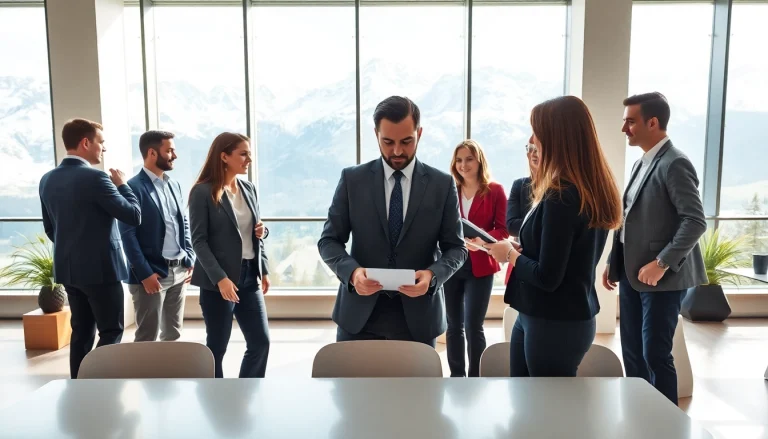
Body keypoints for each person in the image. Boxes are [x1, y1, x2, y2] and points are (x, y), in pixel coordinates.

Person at [486, 96, 622, 377]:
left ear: (557, 138)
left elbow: (548, 277)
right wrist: (518, 249)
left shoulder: (561, 195)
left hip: (554, 320)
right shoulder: (587, 189)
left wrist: (509, 255)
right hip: (548, 315)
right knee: (531, 402)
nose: (533, 141)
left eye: (538, 132)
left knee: (545, 409)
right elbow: (566, 255)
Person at [318, 96, 467, 347]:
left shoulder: (442, 185)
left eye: (406, 141)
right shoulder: (353, 180)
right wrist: (353, 273)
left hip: (419, 318)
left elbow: (457, 248)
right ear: (376, 134)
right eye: (387, 142)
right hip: (358, 317)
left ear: (419, 133)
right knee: (352, 388)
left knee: (419, 389)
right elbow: (329, 241)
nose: (397, 151)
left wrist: (432, 276)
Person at [603, 92, 707, 405]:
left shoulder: (675, 163)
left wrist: (661, 264)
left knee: (655, 354)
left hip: (661, 279)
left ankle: (666, 427)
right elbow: (628, 217)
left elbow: (695, 221)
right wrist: (614, 260)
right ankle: (639, 417)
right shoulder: (641, 163)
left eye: (630, 121)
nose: (624, 129)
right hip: (632, 274)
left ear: (653, 122)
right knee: (632, 351)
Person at [39, 118, 141, 378]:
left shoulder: (47, 179)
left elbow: (51, 230)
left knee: (81, 331)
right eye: (101, 142)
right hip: (102, 271)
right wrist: (123, 185)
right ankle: (100, 385)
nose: (103, 149)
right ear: (86, 143)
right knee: (111, 331)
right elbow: (133, 215)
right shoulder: (96, 178)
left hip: (69, 271)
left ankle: (79, 385)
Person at [188, 132, 271, 378]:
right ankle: (216, 401)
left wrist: (263, 266)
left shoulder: (248, 188)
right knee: (216, 348)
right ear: (224, 157)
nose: (249, 160)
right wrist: (220, 279)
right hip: (218, 283)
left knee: (260, 342)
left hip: (249, 277)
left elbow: (255, 232)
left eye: (249, 154)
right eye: (243, 154)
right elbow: (198, 241)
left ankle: (248, 392)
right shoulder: (202, 192)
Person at [119, 130, 195, 342]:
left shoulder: (174, 184)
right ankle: (145, 376)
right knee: (147, 337)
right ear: (152, 153)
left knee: (173, 334)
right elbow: (127, 236)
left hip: (179, 271)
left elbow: (184, 224)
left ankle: (167, 376)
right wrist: (144, 274)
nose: (174, 155)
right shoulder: (132, 188)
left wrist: (189, 257)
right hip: (151, 276)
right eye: (169, 150)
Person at [444, 140, 508, 377]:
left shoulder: (495, 191)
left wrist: (484, 241)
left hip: (481, 265)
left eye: (469, 159)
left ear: (479, 160)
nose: (463, 165)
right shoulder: (448, 190)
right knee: (453, 326)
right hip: (451, 265)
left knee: (473, 326)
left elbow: (503, 229)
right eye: (459, 160)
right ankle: (456, 376)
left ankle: (476, 377)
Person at [504, 142, 538, 284]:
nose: (534, 153)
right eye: (531, 149)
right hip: (522, 257)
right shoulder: (520, 185)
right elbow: (511, 226)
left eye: (538, 149)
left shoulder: (559, 190)